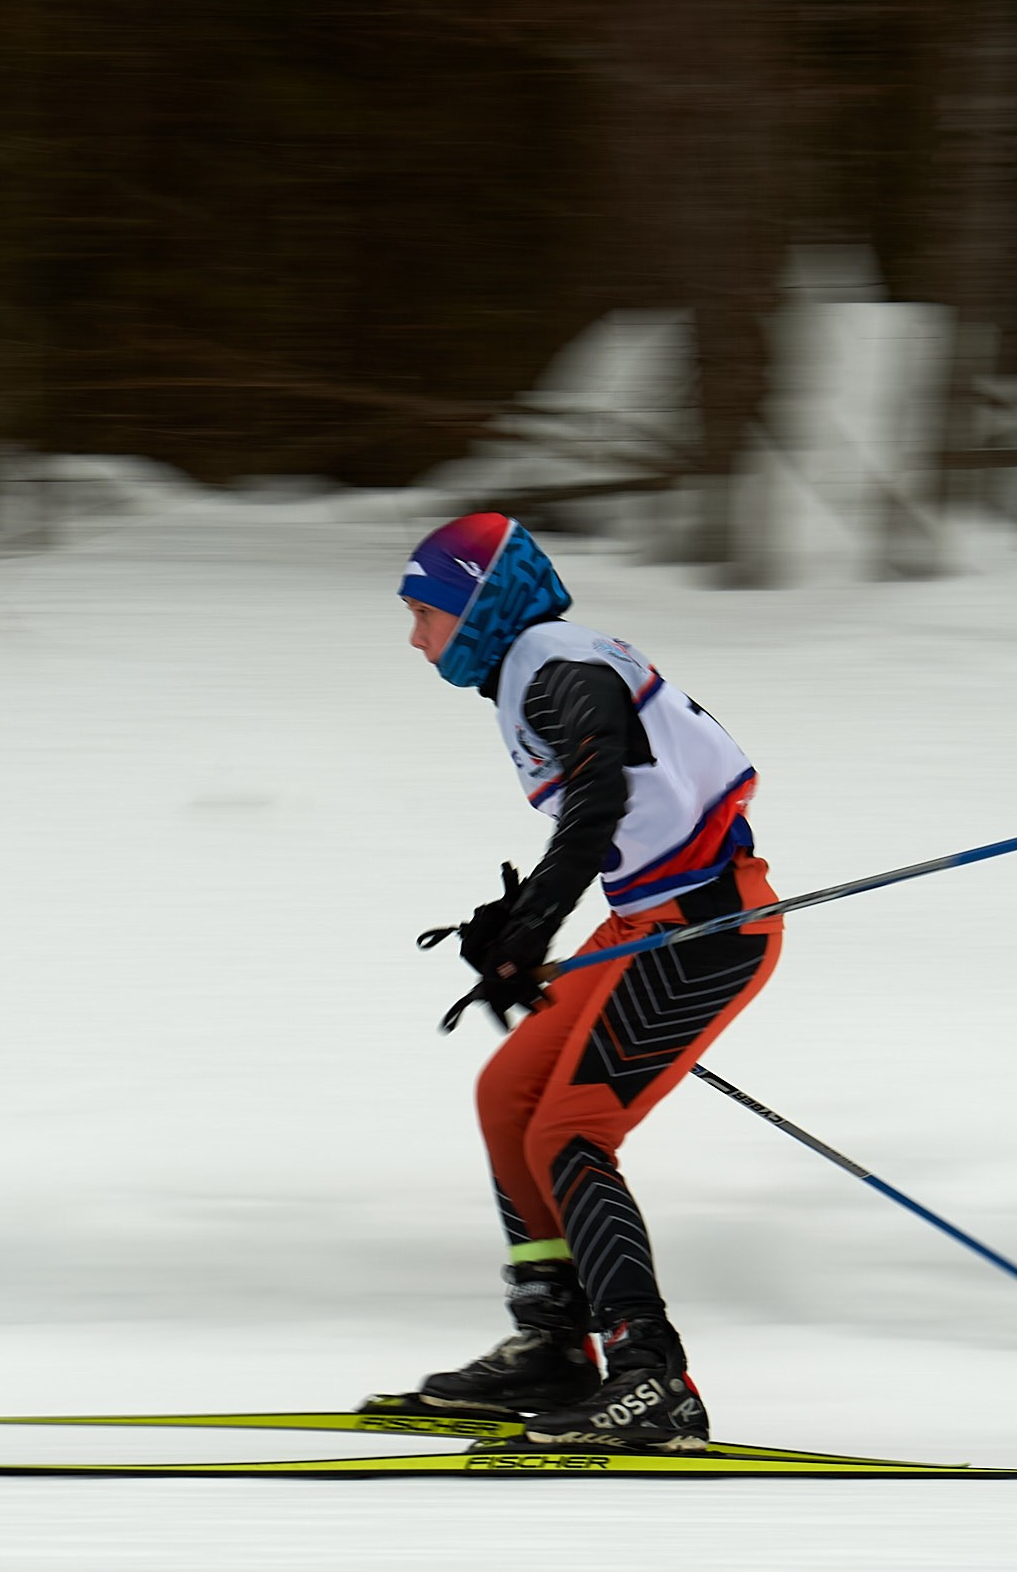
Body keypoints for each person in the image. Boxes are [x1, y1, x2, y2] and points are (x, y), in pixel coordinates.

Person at [379, 512, 784, 1451]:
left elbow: (600, 793)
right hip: (647, 921)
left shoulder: (556, 668)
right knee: (510, 1092)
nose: (414, 638)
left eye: (424, 613)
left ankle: (652, 1379)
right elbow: (616, 807)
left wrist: (535, 924)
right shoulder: (538, 665)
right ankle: (554, 1344)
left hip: (708, 927)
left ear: (477, 608)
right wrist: (516, 926)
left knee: (571, 1131)